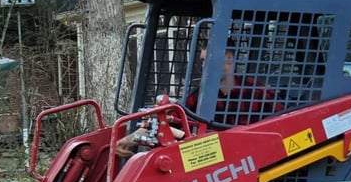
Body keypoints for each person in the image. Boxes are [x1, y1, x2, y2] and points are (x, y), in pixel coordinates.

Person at [115, 45, 283, 158]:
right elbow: (165, 123)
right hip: (212, 160)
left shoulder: (259, 92)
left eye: (207, 59)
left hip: (251, 158)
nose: (204, 65)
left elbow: (284, 126)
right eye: (202, 61)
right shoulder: (199, 95)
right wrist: (129, 140)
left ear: (229, 57)